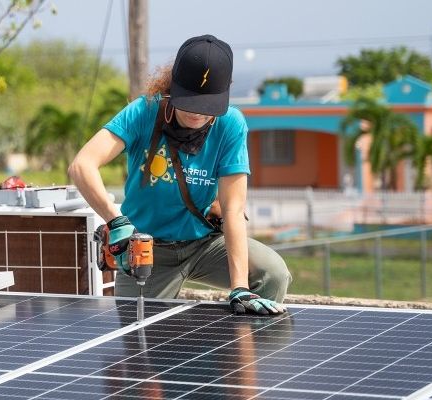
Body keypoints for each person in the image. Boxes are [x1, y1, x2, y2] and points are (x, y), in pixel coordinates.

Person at [68, 34, 290, 315]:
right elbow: (82, 165)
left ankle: (242, 354)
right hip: (149, 250)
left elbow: (234, 210)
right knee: (142, 341)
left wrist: (240, 287)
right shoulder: (144, 111)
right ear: (173, 86)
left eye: (207, 106)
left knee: (273, 273)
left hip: (204, 244)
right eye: (190, 102)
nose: (198, 114)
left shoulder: (230, 124)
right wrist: (116, 221)